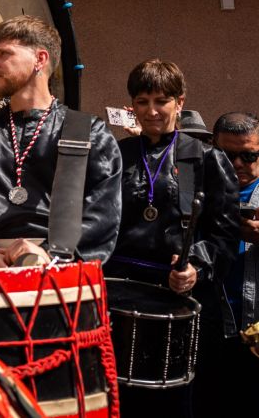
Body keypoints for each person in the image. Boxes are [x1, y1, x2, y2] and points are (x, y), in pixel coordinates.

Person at [102, 60, 238, 417]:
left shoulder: (205, 157)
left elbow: (225, 234)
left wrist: (198, 268)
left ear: (180, 102)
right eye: (142, 101)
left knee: (179, 402)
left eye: (161, 100)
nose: (151, 111)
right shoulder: (117, 155)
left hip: (179, 294)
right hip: (121, 292)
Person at [0, 15, 121, 269]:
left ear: (40, 59)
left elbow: (102, 213)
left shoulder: (87, 132)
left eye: (4, 54)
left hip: (60, 274)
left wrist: (49, 253)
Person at [202, 112, 259, 416]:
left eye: (248, 155)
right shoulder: (196, 192)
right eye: (227, 154)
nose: (237, 164)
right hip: (212, 332)